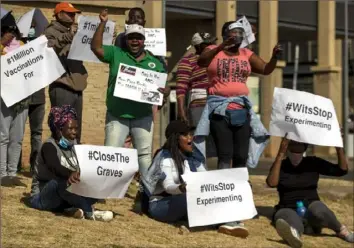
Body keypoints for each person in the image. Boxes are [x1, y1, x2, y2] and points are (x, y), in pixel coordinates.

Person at [194, 18, 281, 234]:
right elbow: (201, 61)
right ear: (224, 34)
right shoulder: (215, 50)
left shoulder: (246, 54)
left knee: (240, 157)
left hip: (242, 110)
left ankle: (238, 201)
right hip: (219, 110)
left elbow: (266, 69)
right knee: (226, 155)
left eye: (240, 33)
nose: (237, 36)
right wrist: (223, 46)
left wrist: (274, 58)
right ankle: (222, 204)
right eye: (233, 33)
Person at [91, 10, 169, 194]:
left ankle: (148, 194)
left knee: (144, 156)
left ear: (144, 40)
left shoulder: (154, 62)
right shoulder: (116, 53)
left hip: (142, 117)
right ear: (126, 39)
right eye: (131, 38)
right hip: (117, 115)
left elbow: (162, 89)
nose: (135, 41)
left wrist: (165, 92)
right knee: (111, 153)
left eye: (138, 38)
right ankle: (105, 191)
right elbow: (96, 48)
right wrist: (102, 23)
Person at [266, 136, 354, 248]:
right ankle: (294, 235)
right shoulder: (281, 165)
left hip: (311, 206)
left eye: (299, 144)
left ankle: (341, 230)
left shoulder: (313, 162)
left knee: (319, 209)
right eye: (293, 143)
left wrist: (339, 148)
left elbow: (342, 170)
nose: (296, 147)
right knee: (286, 216)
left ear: (305, 146)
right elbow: (271, 183)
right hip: (288, 206)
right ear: (287, 146)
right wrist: (279, 155)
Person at [29, 105, 113, 221]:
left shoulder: (75, 146)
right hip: (43, 196)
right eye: (70, 128)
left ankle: (73, 208)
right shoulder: (49, 146)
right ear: (59, 129)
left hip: (66, 195)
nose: (74, 132)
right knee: (60, 182)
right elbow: (55, 167)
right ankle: (89, 211)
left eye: (76, 128)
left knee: (93, 179)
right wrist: (70, 174)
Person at [115, 7, 167, 148]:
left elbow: (161, 66)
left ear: (144, 21)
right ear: (127, 21)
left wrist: (162, 91)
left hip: (147, 94)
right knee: (124, 139)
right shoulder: (121, 38)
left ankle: (141, 168)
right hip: (127, 93)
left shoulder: (154, 38)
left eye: (138, 18)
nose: (136, 20)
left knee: (143, 139)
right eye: (132, 18)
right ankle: (124, 167)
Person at [142, 120, 206, 223]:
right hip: (161, 204)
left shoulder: (192, 156)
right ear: (175, 139)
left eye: (190, 134)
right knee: (189, 198)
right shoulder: (165, 158)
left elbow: (206, 177)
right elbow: (168, 186)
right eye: (185, 135)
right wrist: (181, 188)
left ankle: (228, 223)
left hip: (182, 200)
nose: (190, 138)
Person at [44, 2, 88, 144]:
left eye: (74, 13)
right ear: (59, 14)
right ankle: (58, 162)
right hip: (62, 86)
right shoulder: (50, 31)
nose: (73, 16)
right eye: (69, 13)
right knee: (62, 129)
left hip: (76, 85)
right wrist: (68, 36)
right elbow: (48, 48)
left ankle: (74, 161)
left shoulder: (76, 31)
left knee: (75, 129)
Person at [0, 23, 28, 187]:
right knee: (3, 136)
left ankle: (12, 173)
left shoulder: (24, 47)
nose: (11, 35)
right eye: (8, 32)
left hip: (22, 97)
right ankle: (2, 173)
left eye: (13, 32)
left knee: (17, 137)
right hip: (4, 96)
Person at [18, 19, 46, 173]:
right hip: (21, 97)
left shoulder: (42, 48)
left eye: (34, 27)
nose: (32, 30)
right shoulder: (17, 47)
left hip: (39, 97)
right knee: (18, 132)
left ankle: (35, 165)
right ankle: (16, 164)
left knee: (37, 133)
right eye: (30, 27)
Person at [176, 32, 216, 126]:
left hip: (218, 103)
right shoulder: (188, 61)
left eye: (212, 43)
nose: (212, 46)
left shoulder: (218, 58)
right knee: (199, 136)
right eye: (208, 44)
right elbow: (181, 87)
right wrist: (181, 110)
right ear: (198, 46)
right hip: (199, 105)